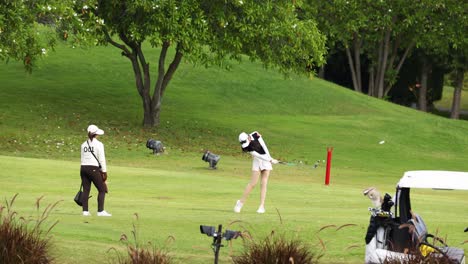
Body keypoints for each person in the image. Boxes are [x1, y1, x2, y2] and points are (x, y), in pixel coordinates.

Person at [234, 131, 279, 214]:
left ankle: (262, 206)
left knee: (264, 183)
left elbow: (263, 146)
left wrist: (270, 158)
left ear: (248, 137)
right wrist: (270, 160)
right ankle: (240, 203)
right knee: (253, 183)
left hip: (266, 157)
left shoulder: (255, 134)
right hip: (257, 160)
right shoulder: (245, 147)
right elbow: (257, 155)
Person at [80, 124, 111, 216]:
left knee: (86, 189)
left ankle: (85, 211)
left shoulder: (83, 144)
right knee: (102, 189)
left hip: (83, 168)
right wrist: (104, 171)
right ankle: (100, 211)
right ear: (96, 134)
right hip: (93, 168)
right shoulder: (99, 144)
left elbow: (82, 158)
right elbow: (101, 159)